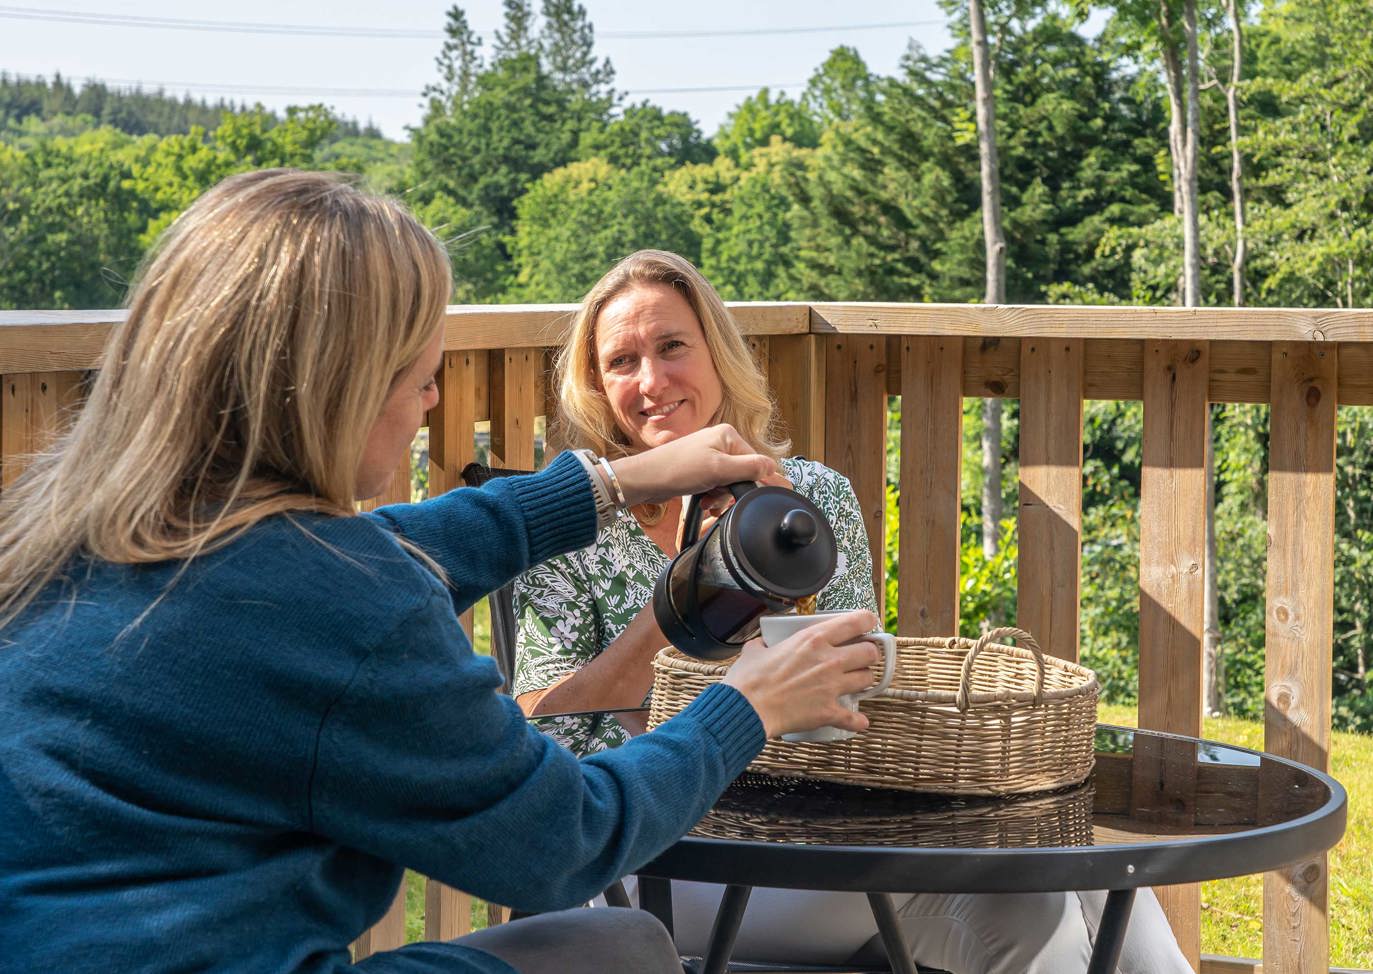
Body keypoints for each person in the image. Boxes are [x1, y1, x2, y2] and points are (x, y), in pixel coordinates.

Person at [0, 171, 890, 974]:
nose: (431, 402)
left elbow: (399, 545)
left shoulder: (62, 537)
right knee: (618, 946)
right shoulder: (336, 605)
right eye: (418, 379)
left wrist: (616, 481)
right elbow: (563, 841)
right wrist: (745, 707)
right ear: (331, 390)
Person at [512, 249, 1193, 974]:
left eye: (672, 346)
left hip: (811, 830)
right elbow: (538, 710)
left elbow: (856, 690)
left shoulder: (805, 500)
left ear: (716, 354)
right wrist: (693, 593)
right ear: (595, 385)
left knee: (1081, 881)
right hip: (650, 854)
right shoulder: (575, 523)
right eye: (621, 361)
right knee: (1032, 897)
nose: (651, 381)